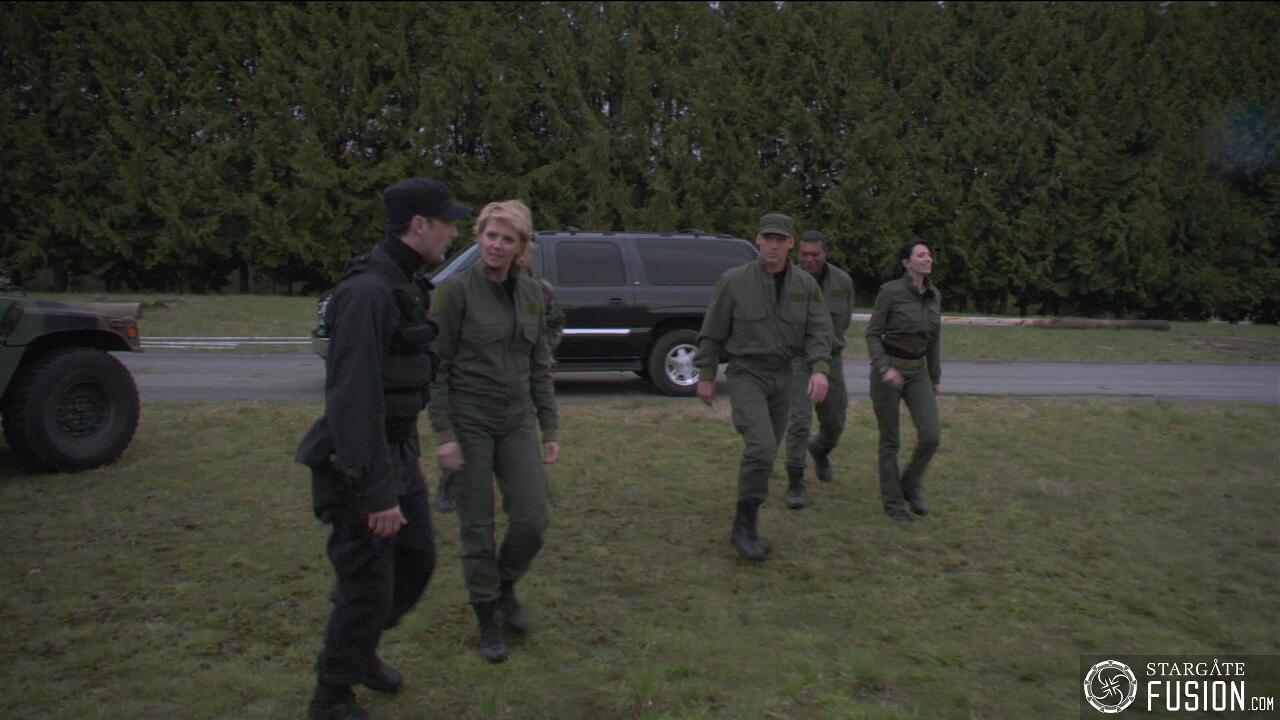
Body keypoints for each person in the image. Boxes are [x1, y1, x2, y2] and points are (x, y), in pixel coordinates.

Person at [294, 177, 468, 720]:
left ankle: (360, 644)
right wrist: (375, 492)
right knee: (367, 583)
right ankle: (331, 696)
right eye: (447, 223)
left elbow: (400, 385)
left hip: (395, 452)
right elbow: (354, 399)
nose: (453, 233)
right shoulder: (367, 294)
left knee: (416, 560)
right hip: (357, 463)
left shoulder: (404, 284)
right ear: (419, 225)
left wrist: (406, 455)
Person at [428, 200, 559, 663]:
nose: (496, 246)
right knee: (477, 524)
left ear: (521, 246)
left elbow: (539, 363)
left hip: (517, 419)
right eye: (490, 236)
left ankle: (503, 584)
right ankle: (486, 612)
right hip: (470, 420)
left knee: (532, 519)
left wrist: (549, 425)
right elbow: (436, 367)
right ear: (479, 237)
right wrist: (444, 433)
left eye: (507, 239)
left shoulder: (532, 293)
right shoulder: (455, 292)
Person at [695, 213, 833, 562]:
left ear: (790, 244)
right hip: (746, 374)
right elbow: (712, 330)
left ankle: (748, 516)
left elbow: (819, 331)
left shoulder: (805, 286)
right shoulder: (734, 281)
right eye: (767, 238)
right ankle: (744, 525)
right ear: (757, 240)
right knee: (760, 446)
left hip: (784, 376)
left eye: (780, 240)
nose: (773, 246)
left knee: (767, 453)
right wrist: (707, 373)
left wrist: (820, 369)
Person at [432, 239, 563, 514]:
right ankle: (450, 486)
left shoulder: (537, 290)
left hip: (516, 401)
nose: (520, 259)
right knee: (469, 476)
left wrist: (544, 349)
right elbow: (440, 360)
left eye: (522, 252)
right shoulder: (463, 289)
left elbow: (552, 324)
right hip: (474, 406)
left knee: (530, 508)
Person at [866, 236, 943, 523]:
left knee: (931, 435)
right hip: (889, 371)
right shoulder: (890, 292)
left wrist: (934, 377)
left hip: (918, 371)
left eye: (929, 254)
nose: (927, 258)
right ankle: (893, 503)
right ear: (907, 263)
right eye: (921, 255)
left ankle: (910, 483)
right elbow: (873, 334)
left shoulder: (934, 295)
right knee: (891, 440)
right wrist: (884, 368)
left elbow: (934, 339)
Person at [783, 230, 855, 508]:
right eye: (804, 254)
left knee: (835, 420)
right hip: (798, 359)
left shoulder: (842, 282)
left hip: (830, 357)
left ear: (825, 253)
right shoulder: (786, 280)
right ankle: (796, 481)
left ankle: (821, 449)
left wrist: (826, 351)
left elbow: (843, 321)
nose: (809, 259)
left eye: (815, 254)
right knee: (799, 422)